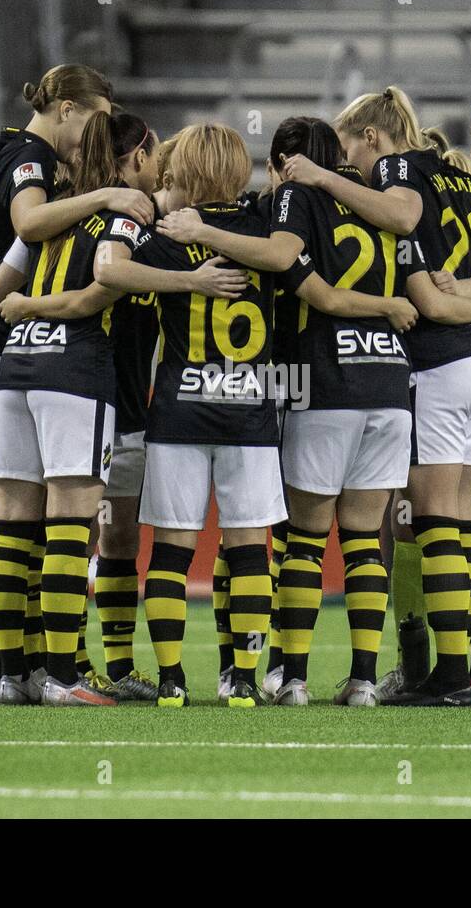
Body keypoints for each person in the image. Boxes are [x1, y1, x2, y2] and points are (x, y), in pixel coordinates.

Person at [0, 111, 244, 705]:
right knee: (71, 527)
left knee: (15, 528)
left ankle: (0, 676)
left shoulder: (48, 214)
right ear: (137, 159)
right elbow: (101, 284)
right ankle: (65, 675)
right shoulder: (129, 218)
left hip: (17, 368)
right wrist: (195, 280)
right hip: (83, 380)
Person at [157, 116, 434, 706]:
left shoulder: (292, 204)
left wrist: (196, 225)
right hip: (388, 381)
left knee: (294, 542)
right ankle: (363, 678)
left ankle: (288, 675)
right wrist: (395, 306)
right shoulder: (378, 203)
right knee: (363, 542)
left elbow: (312, 286)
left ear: (287, 164)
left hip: (316, 381)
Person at [282, 87, 471, 706]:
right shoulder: (462, 179)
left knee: (438, 523)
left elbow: (399, 217)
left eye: (348, 150)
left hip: (440, 366)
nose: (348, 167)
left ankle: (449, 678)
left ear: (372, 137)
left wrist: (317, 176)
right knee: (470, 527)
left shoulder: (397, 170)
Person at [0, 63, 150, 705]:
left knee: (3, 519)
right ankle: (39, 674)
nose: (93, 133)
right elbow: (32, 231)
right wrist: (112, 197)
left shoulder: (7, 151)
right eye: (93, 118)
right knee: (29, 519)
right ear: (65, 108)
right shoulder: (39, 166)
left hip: (5, 355)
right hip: (17, 352)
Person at [95, 123, 297, 708]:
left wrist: (183, 272)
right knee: (249, 551)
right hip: (249, 410)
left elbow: (111, 269)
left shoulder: (173, 236)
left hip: (179, 410)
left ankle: (171, 680)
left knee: (172, 552)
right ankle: (244, 679)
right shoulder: (264, 230)